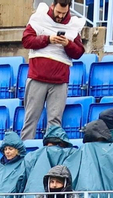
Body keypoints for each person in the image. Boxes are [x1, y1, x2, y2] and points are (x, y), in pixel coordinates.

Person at [20, 0, 86, 139]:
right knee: (30, 119)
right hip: (37, 77)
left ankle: (52, 152)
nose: (61, 16)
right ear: (52, 7)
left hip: (59, 81)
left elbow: (79, 52)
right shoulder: (39, 18)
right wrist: (48, 39)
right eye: (58, 12)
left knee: (55, 122)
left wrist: (68, 44)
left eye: (64, 13)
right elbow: (27, 41)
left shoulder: (73, 25)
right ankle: (25, 154)